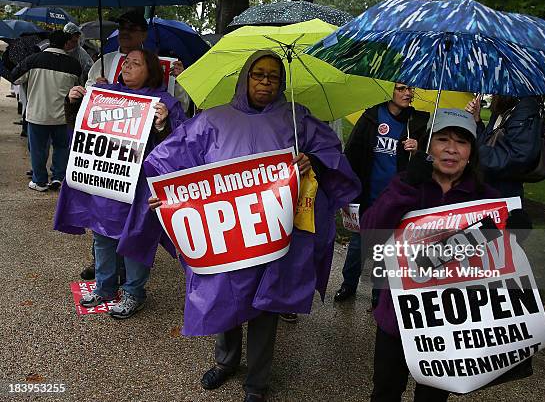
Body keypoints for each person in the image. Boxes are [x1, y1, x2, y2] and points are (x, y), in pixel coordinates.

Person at [126, 50, 360, 401]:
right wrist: (167, 195)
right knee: (226, 295)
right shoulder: (212, 120)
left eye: (273, 76)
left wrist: (314, 160)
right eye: (258, 74)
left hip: (275, 233)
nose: (265, 82)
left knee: (266, 304)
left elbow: (332, 157)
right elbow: (170, 160)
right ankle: (226, 362)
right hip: (224, 231)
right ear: (245, 78)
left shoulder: (298, 120)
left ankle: (257, 381)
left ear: (282, 83)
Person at [361, 109, 500, 401]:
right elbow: (372, 230)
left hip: (449, 320)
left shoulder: (484, 198)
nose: (451, 149)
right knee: (385, 389)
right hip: (398, 313)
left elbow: (497, 260)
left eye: (461, 142)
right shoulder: (405, 183)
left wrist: (511, 230)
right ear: (428, 145)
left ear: (471, 151)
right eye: (443, 139)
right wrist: (407, 188)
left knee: (433, 396)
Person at [54, 49, 187, 319]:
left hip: (140, 187)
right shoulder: (105, 93)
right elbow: (79, 128)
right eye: (126, 62)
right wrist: (75, 103)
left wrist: (163, 126)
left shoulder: (165, 103)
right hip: (107, 181)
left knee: (135, 237)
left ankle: (133, 293)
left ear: (150, 71)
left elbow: (181, 147)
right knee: (102, 235)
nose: (127, 67)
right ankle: (104, 286)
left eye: (136, 63)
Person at [334, 84, 429, 305]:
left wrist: (418, 150)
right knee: (358, 244)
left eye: (410, 89)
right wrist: (347, 190)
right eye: (401, 88)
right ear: (390, 91)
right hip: (367, 195)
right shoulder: (371, 117)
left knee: (389, 248)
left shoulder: (417, 123)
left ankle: (379, 295)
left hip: (397, 201)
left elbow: (428, 163)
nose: (408, 93)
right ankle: (348, 284)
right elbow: (352, 154)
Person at [3, 30, 80, 192]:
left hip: (38, 115)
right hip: (62, 116)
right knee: (61, 147)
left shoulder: (32, 60)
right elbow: (78, 88)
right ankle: (58, 177)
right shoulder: (73, 65)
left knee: (38, 149)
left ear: (48, 42)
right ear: (66, 44)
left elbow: (16, 79)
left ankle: (39, 181)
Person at [86, 10, 190, 112]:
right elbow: (87, 95)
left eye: (132, 29)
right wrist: (95, 89)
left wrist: (178, 82)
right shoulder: (104, 61)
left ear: (144, 35)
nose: (125, 32)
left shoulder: (155, 65)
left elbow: (181, 107)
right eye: (122, 28)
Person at [466, 95, 544, 199]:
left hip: (503, 194)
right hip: (486, 185)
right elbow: (486, 142)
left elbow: (518, 157)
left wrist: (470, 153)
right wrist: (477, 120)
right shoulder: (501, 108)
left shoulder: (526, 110)